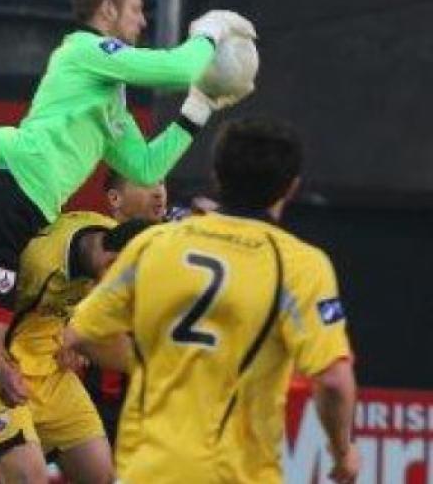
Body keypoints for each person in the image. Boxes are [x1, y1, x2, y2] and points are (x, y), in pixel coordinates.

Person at [0, 0, 256, 471]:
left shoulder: (109, 99)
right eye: (135, 9)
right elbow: (173, 68)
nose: (142, 19)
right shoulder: (84, 50)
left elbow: (147, 168)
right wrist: (209, 32)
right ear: (106, 11)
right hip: (1, 207)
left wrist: (198, 107)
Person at [63, 117, 360, 484]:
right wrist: (342, 451)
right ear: (291, 187)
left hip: (148, 470)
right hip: (235, 473)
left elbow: (78, 333)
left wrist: (152, 364)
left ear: (217, 177)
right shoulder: (300, 265)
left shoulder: (153, 245)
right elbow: (333, 379)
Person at [0, 214, 154, 484]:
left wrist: (71, 335)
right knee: (29, 477)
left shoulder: (119, 240)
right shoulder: (37, 262)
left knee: (100, 475)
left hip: (51, 371)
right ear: (110, 263)